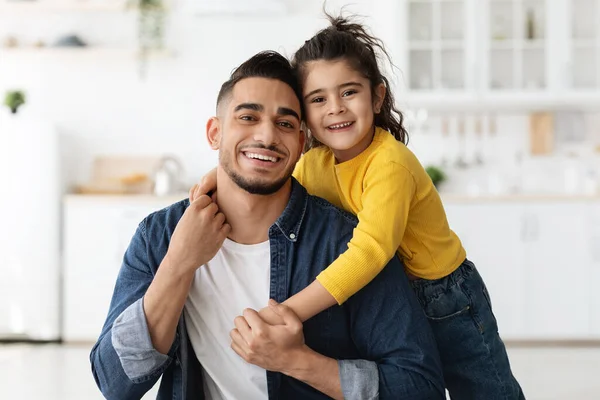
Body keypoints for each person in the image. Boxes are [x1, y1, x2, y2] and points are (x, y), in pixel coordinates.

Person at [189, 13, 525, 400]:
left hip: (446, 295)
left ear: (377, 97)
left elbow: (369, 253)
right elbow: (264, 165)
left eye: (348, 92)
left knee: (486, 391)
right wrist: (216, 178)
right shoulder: (315, 161)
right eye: (318, 99)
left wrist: (289, 312)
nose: (335, 108)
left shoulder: (390, 164)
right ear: (304, 117)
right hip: (392, 295)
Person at [89, 50, 445, 400]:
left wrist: (299, 362)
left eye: (286, 123)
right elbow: (115, 383)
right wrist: (178, 264)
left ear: (301, 144)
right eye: (247, 117)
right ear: (215, 133)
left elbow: (420, 386)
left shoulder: (344, 242)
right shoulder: (161, 235)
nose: (267, 136)